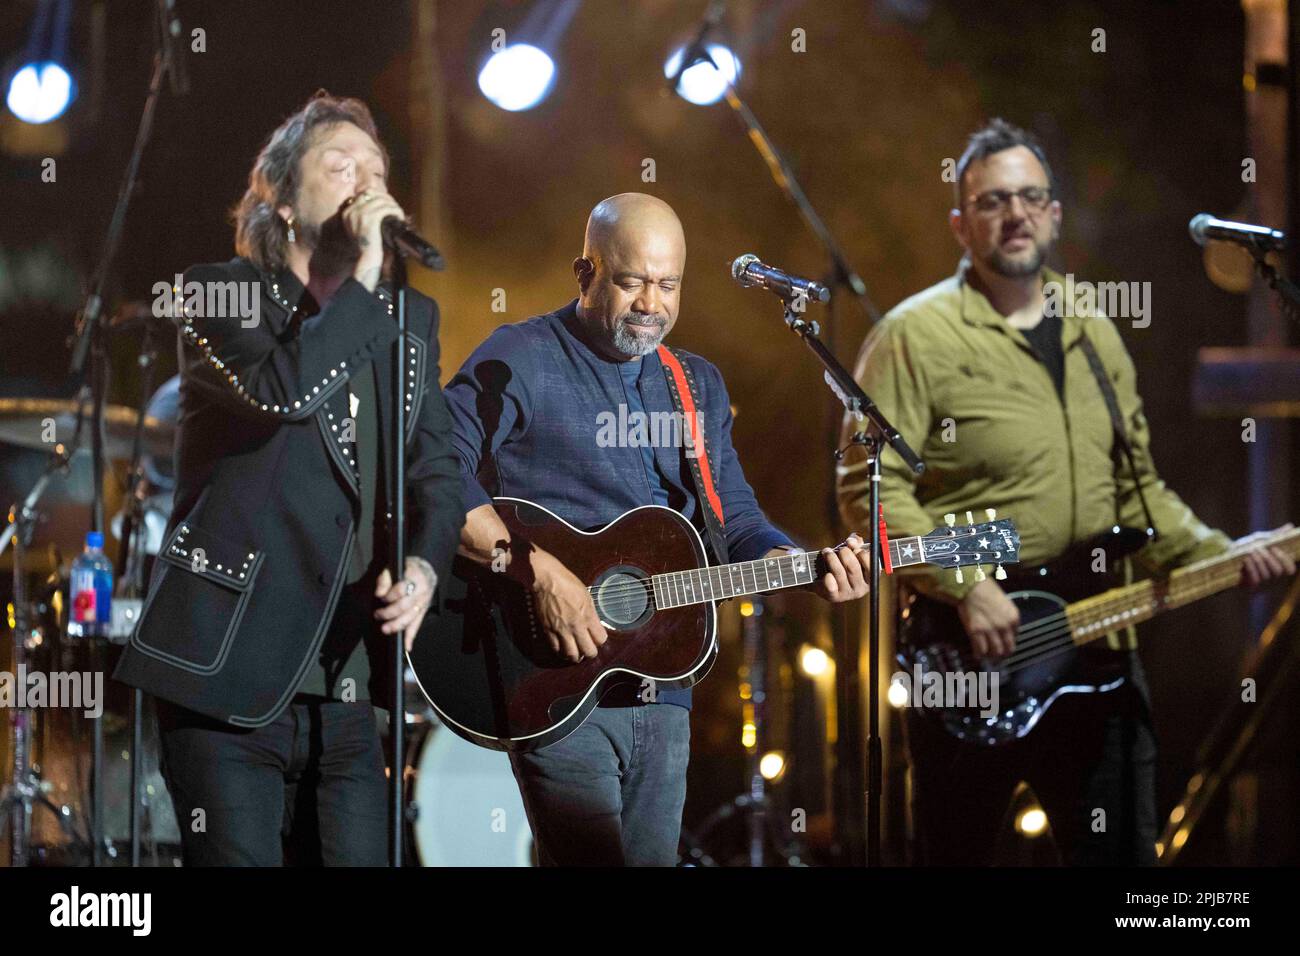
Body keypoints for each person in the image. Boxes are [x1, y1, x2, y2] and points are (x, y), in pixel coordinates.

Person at [837, 118, 1295, 865]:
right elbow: (871, 491)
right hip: (968, 664)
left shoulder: (1095, 327)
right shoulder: (911, 336)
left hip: (1099, 653)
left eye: (1030, 197)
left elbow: (1137, 490)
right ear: (961, 224)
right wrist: (966, 587)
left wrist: (1224, 554)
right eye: (992, 202)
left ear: (1053, 212)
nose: (1014, 214)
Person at [443, 192, 872, 865]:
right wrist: (540, 572)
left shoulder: (694, 385)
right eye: (631, 280)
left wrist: (805, 564)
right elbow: (434, 468)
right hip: (547, 677)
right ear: (585, 274)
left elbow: (739, 524)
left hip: (663, 686)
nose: (652, 303)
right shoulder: (520, 355)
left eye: (668, 284)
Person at [114, 92, 464, 866]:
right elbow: (283, 391)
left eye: (375, 171)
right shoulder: (220, 291)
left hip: (348, 684)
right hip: (226, 672)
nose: (363, 183)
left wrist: (425, 564)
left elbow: (436, 467)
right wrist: (367, 279)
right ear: (277, 198)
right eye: (338, 167)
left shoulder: (411, 324)